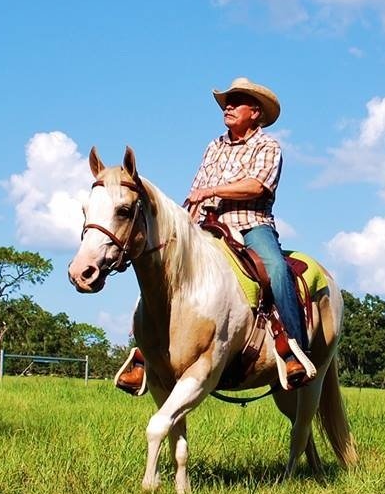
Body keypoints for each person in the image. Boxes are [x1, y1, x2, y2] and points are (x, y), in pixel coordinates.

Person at [117, 77, 312, 393]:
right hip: (208, 226)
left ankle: (293, 350)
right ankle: (144, 355)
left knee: (276, 270)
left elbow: (257, 185)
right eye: (227, 102)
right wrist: (186, 218)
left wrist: (212, 191)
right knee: (162, 271)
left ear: (257, 113)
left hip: (251, 226)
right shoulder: (214, 145)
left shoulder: (268, 145)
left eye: (237, 101)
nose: (229, 106)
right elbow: (197, 191)